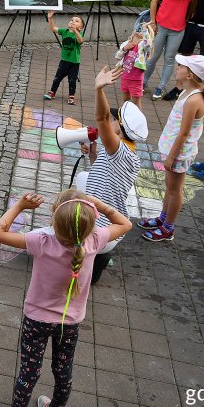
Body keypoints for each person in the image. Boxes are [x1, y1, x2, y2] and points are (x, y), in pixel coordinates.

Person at [0, 190, 132, 407]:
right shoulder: (94, 240)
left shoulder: (41, 241)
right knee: (63, 371)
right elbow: (124, 223)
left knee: (28, 372)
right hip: (70, 323)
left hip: (36, 321)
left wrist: (20, 207)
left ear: (54, 217)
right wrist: (97, 203)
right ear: (91, 224)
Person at [77, 66, 147, 284]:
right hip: (110, 225)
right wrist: (94, 155)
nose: (111, 123)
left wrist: (99, 89)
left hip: (101, 227)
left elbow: (102, 117)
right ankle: (98, 260)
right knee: (83, 178)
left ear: (121, 127)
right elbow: (105, 173)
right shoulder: (129, 154)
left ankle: (88, 257)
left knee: (61, 228)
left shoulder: (119, 150)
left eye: (116, 121)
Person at [140, 54, 204, 242]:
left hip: (179, 154)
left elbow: (184, 133)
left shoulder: (194, 100)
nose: (177, 68)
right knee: (169, 187)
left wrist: (171, 157)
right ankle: (163, 219)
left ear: (190, 75)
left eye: (181, 66)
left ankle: (168, 228)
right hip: (174, 151)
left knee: (175, 190)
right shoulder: (186, 92)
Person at [144, 0, 201, 100]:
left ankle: (161, 87)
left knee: (169, 59)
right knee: (152, 58)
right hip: (160, 26)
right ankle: (143, 83)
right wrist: (153, 22)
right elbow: (154, 1)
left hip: (178, 30)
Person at [43, 12, 85, 105]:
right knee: (57, 78)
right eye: (72, 20)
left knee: (72, 80)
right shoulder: (64, 31)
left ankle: (71, 96)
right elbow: (53, 28)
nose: (73, 22)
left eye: (76, 21)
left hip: (74, 63)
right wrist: (50, 18)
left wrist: (76, 32)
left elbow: (80, 41)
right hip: (64, 61)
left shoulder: (79, 34)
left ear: (80, 28)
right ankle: (52, 92)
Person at [116, 30, 145, 107]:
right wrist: (125, 48)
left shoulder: (143, 46)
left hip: (136, 79)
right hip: (125, 77)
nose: (138, 32)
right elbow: (117, 56)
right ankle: (126, 116)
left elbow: (149, 46)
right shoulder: (128, 43)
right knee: (125, 100)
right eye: (137, 30)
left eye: (143, 30)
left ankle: (138, 118)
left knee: (136, 103)